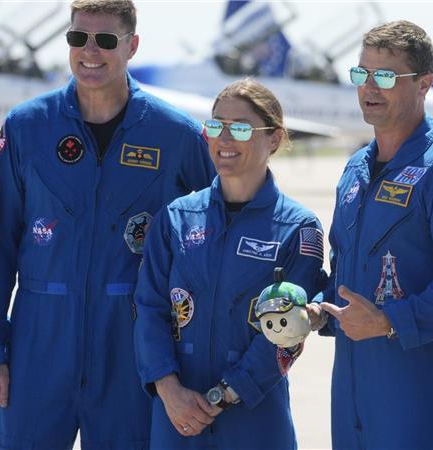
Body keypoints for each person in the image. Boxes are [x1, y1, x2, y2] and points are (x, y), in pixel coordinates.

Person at [0, 1, 215, 448]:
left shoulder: (175, 135)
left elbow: (210, 241)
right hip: (39, 346)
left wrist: (191, 356)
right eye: (77, 38)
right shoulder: (26, 128)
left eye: (105, 40)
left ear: (132, 45)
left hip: (134, 347)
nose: (90, 51)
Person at [317, 21, 433, 449]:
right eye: (361, 74)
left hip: (418, 382)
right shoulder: (355, 169)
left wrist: (387, 322)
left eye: (385, 76)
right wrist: (317, 309)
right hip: (352, 382)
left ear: (424, 84)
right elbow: (345, 268)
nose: (369, 88)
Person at [133, 79, 327, 449]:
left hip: (254, 417)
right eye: (216, 125)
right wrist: (168, 389)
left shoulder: (298, 228)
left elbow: (289, 332)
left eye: (240, 128)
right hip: (177, 416)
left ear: (274, 138)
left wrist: (225, 394)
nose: (224, 139)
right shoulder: (176, 218)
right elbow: (149, 308)